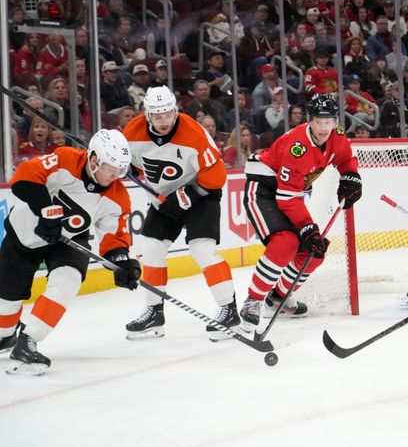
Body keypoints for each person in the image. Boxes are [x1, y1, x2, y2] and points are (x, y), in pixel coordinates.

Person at [0, 130, 139, 375]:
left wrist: (122, 262)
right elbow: (24, 176)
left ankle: (28, 342)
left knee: (68, 280)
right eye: (112, 168)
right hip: (25, 234)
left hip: (70, 240)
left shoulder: (118, 196)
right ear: (94, 160)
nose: (117, 176)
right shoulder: (66, 158)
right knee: (6, 306)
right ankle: (7, 336)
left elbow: (114, 236)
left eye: (121, 170)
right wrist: (45, 210)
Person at [123, 87, 239, 341]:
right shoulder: (132, 132)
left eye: (168, 114)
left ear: (176, 111)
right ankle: (154, 313)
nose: (164, 122)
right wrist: (120, 166)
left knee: (202, 249)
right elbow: (126, 162)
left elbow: (216, 176)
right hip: (163, 200)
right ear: (147, 115)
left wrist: (187, 196)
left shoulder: (194, 133)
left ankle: (229, 311)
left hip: (201, 194)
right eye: (158, 116)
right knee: (151, 249)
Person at [239, 93, 362, 328]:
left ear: (335, 121)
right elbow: (286, 199)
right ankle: (253, 301)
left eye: (328, 122)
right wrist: (308, 227)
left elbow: (346, 158)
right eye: (318, 122)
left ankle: (277, 299)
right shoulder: (297, 148)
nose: (324, 127)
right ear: (309, 120)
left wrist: (351, 176)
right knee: (286, 242)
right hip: (264, 189)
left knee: (315, 251)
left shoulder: (338, 135)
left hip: (289, 194)